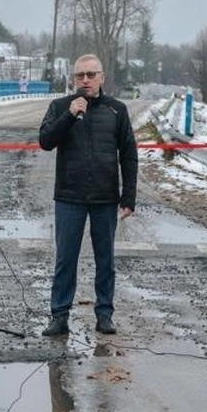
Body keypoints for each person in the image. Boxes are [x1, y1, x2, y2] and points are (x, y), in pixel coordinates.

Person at [38, 54, 138, 336]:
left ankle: (104, 313)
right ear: (73, 80)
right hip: (69, 196)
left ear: (102, 77)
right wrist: (70, 115)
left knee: (106, 260)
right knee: (65, 260)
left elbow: (129, 154)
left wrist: (128, 196)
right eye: (80, 76)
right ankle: (59, 315)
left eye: (91, 75)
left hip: (105, 197)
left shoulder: (117, 110)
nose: (85, 81)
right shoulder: (60, 107)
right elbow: (45, 141)